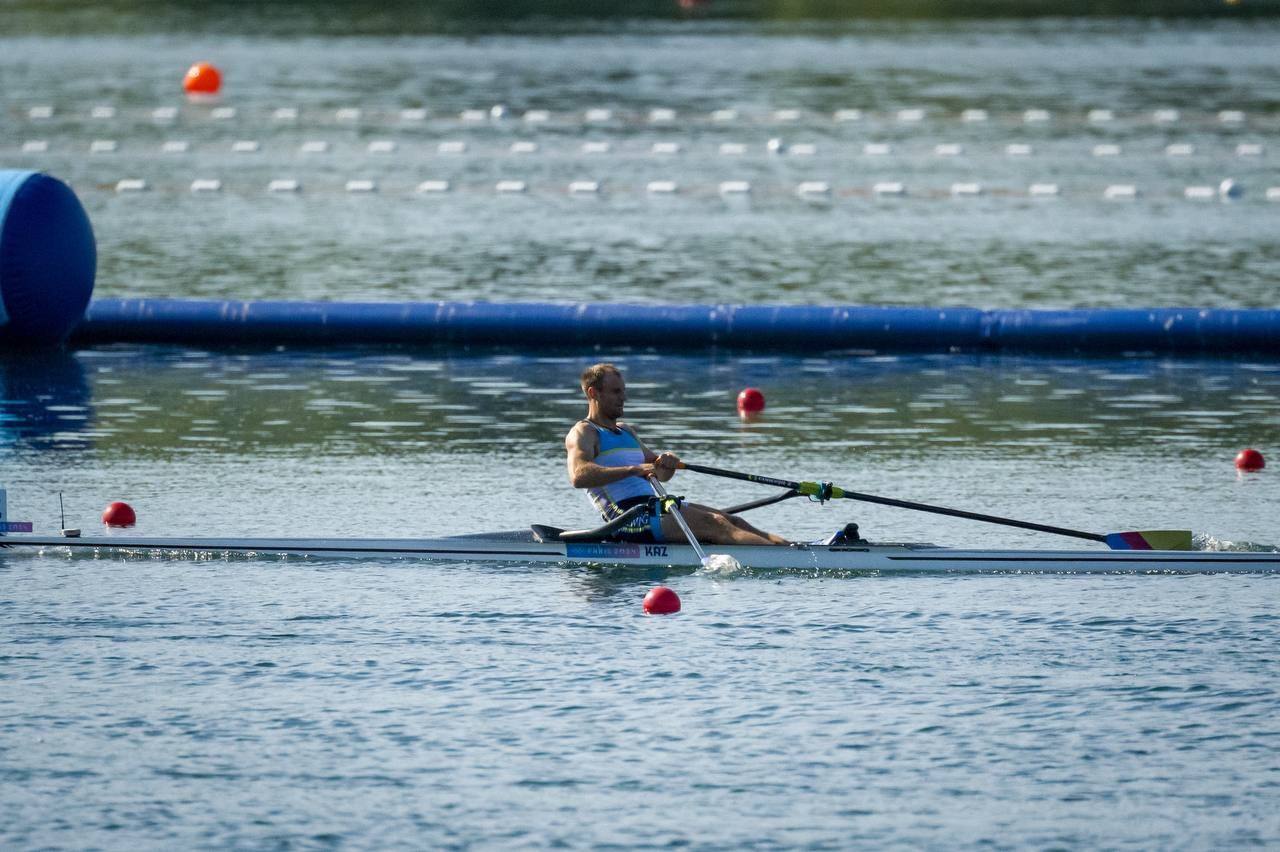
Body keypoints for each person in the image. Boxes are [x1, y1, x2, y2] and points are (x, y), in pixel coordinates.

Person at [565, 363, 788, 546]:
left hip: (654, 506)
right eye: (616, 392)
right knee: (717, 524)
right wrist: (635, 469)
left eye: (623, 391)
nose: (623, 398)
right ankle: (787, 560)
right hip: (626, 518)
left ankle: (792, 548)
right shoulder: (584, 432)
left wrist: (666, 461)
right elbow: (579, 476)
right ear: (593, 393)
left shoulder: (626, 430)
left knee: (733, 520)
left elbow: (660, 474)